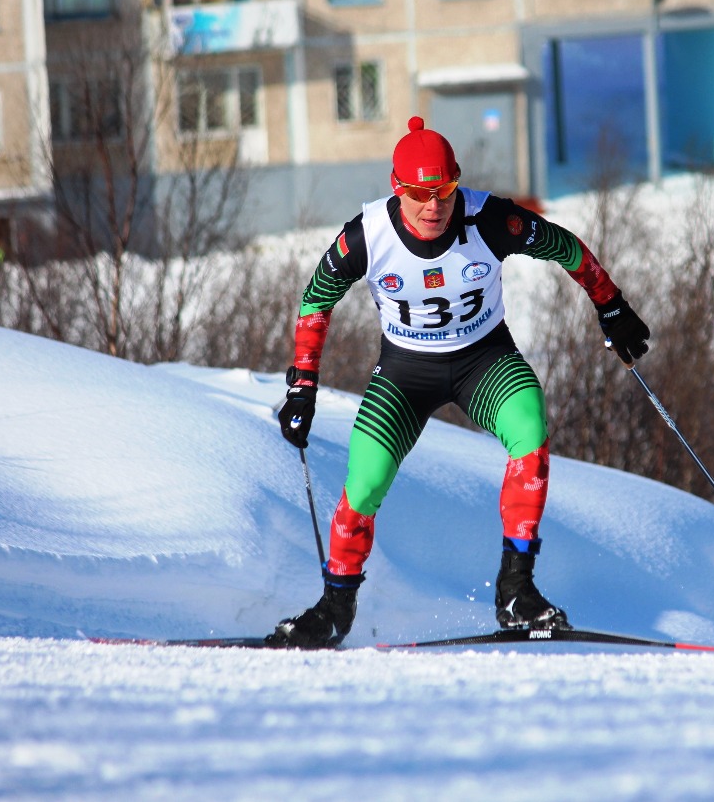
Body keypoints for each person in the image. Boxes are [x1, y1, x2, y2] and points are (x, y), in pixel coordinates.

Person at [266, 116, 651, 648]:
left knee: (530, 434)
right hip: (406, 373)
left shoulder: (489, 218)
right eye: (421, 194)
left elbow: (567, 247)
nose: (435, 206)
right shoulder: (366, 235)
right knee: (366, 482)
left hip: (483, 361)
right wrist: (302, 386)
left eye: (445, 190)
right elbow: (316, 302)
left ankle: (516, 592)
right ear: (398, 189)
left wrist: (612, 307)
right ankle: (335, 607)